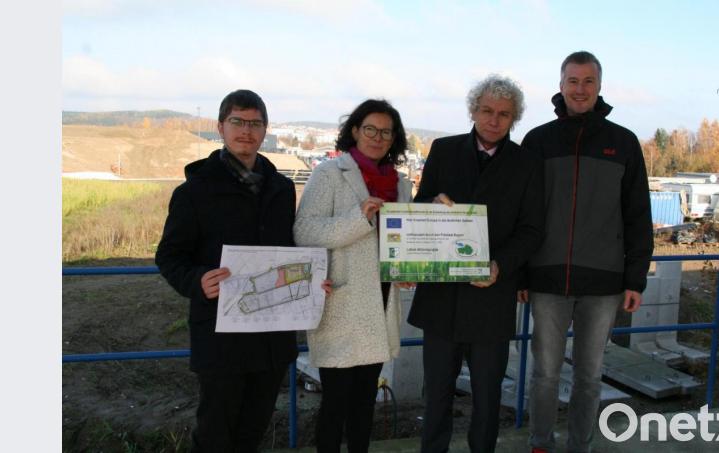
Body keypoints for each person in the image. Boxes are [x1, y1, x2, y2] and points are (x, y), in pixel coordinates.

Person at [519, 51, 654, 453]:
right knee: (544, 373)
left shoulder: (624, 143)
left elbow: (638, 215)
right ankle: (540, 443)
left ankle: (581, 445)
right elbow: (522, 213)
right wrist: (522, 274)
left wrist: (635, 278)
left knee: (590, 375)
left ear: (599, 86)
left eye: (588, 81)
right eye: (573, 81)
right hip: (546, 279)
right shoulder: (538, 141)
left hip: (604, 283)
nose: (580, 89)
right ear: (560, 85)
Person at [155, 89, 298, 452]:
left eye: (255, 123)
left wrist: (310, 278)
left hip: (271, 333)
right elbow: (170, 256)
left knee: (254, 428)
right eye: (237, 121)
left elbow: (290, 251)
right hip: (220, 334)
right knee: (216, 432)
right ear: (221, 126)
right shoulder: (194, 191)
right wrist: (197, 280)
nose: (246, 131)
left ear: (265, 130)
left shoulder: (282, 189)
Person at [408, 74, 544, 453]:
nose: (494, 119)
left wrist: (501, 264)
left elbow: (532, 230)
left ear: (514, 119)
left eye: (504, 113)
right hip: (441, 298)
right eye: (487, 110)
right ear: (473, 110)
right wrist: (430, 206)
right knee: (436, 393)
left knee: (487, 398)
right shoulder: (444, 150)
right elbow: (418, 206)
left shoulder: (527, 164)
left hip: (491, 297)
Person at [293, 99, 414, 453]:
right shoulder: (329, 173)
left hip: (380, 300)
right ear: (355, 131)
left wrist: (407, 265)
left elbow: (401, 238)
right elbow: (305, 231)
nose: (377, 137)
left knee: (365, 402)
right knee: (335, 403)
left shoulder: (400, 183)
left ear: (395, 138)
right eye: (370, 129)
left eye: (386, 131)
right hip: (343, 304)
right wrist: (359, 219)